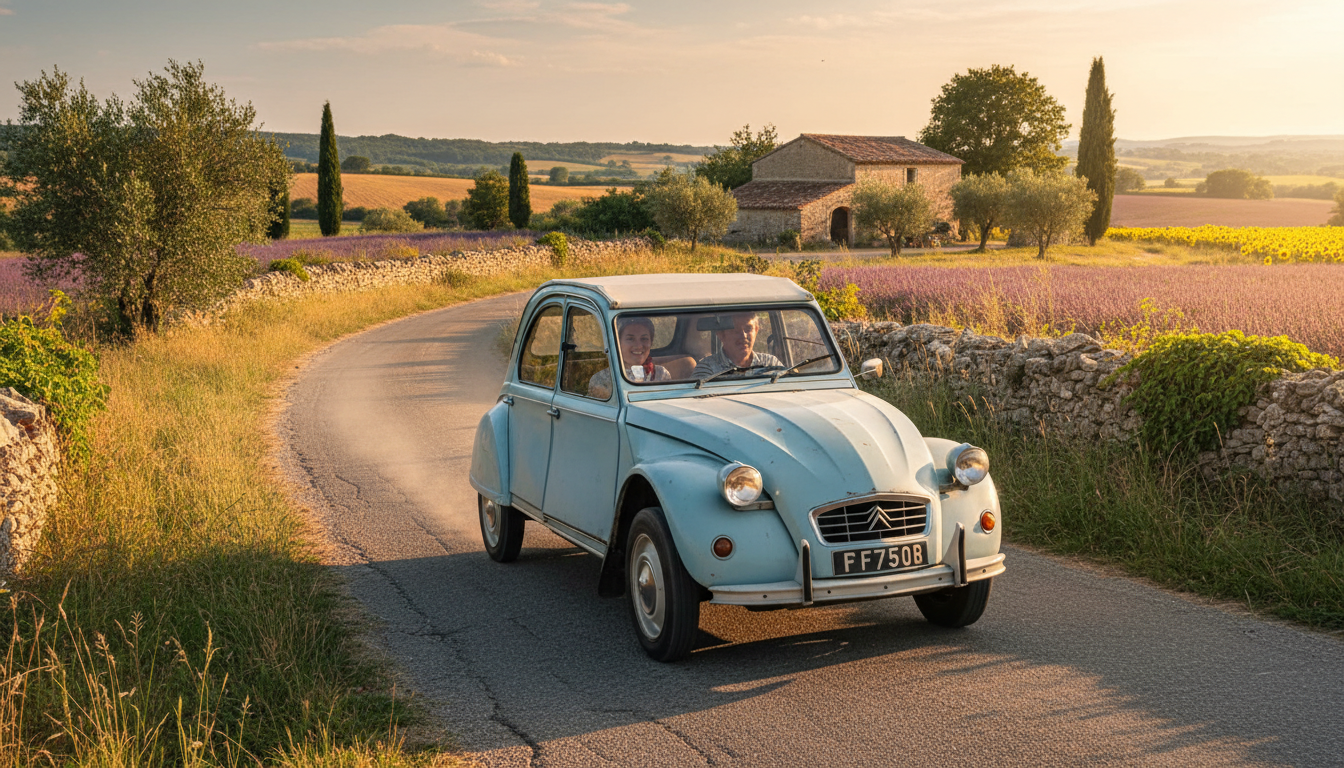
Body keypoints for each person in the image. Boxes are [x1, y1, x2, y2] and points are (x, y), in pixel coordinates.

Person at [588, 316, 671, 399]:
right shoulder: (601, 380)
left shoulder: (661, 374)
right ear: (618, 343)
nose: (638, 346)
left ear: (651, 342)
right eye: (630, 339)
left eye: (644, 339)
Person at [692, 312, 782, 379]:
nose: (743, 336)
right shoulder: (707, 368)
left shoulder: (770, 363)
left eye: (748, 329)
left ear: (756, 330)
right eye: (735, 330)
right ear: (721, 335)